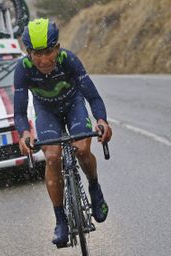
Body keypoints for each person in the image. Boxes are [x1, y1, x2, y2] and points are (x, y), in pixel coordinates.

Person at [13, 18, 113, 246]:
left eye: (48, 51)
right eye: (36, 53)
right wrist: (25, 134)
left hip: (73, 105)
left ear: (57, 48)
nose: (43, 59)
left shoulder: (69, 61)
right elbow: (19, 112)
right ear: (28, 53)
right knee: (52, 157)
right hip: (46, 111)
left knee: (82, 149)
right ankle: (60, 220)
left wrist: (101, 121)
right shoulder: (23, 69)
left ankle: (95, 188)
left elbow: (93, 97)